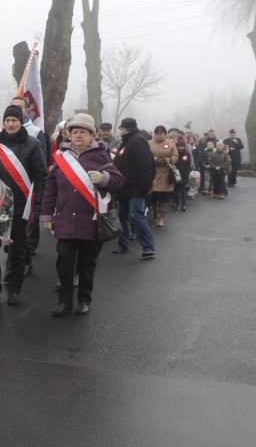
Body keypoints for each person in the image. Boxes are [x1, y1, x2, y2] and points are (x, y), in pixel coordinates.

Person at [40, 114, 123, 316]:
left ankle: (84, 299)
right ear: (69, 134)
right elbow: (50, 189)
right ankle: (64, 301)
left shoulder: (101, 156)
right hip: (66, 220)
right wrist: (47, 216)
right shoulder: (60, 157)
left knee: (87, 264)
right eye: (74, 131)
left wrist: (103, 178)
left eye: (82, 132)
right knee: (64, 262)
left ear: (91, 135)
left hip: (92, 222)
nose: (78, 135)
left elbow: (119, 180)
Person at [0, 104, 47, 306]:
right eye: (7, 120)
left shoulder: (33, 144)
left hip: (21, 206)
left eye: (14, 120)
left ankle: (14, 287)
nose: (10, 124)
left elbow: (42, 176)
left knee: (17, 249)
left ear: (21, 121)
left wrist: (37, 206)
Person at [9, 96, 49, 275]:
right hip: (6, 192)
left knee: (22, 229)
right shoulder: (1, 131)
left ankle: (25, 262)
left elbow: (43, 162)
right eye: (13, 106)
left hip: (27, 188)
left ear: (27, 110)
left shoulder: (36, 133)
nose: (15, 110)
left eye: (19, 107)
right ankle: (17, 261)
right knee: (11, 231)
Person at [112, 117, 157, 259]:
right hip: (124, 188)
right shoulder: (127, 142)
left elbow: (146, 165)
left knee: (137, 216)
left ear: (126, 129)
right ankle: (123, 244)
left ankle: (148, 247)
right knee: (121, 216)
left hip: (136, 188)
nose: (120, 131)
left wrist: (145, 187)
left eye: (121, 129)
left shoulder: (137, 140)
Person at [148, 125, 178, 228]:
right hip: (154, 172)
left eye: (161, 134)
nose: (159, 136)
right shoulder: (150, 143)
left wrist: (168, 160)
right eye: (157, 134)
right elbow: (147, 155)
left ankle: (162, 216)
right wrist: (155, 159)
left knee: (165, 195)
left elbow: (175, 155)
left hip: (166, 172)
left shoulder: (170, 143)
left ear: (165, 134)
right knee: (154, 194)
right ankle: (155, 213)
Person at [173, 137, 192, 211]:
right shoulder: (175, 154)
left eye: (182, 146)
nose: (180, 148)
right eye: (179, 146)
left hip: (184, 175)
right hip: (176, 174)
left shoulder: (187, 154)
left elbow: (188, 165)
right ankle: (177, 203)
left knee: (183, 190)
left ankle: (184, 204)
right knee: (176, 190)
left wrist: (186, 174)